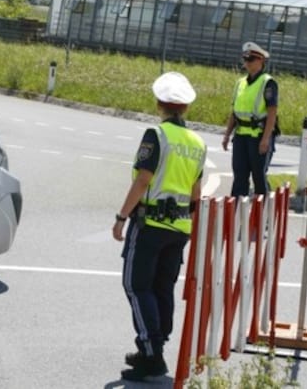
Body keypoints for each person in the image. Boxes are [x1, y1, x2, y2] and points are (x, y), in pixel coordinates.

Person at [112, 71, 207, 382]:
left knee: (136, 285)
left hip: (150, 222)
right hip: (180, 227)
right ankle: (154, 345)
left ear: (159, 104)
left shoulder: (157, 135)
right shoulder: (197, 143)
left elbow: (143, 180)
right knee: (162, 287)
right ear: (186, 108)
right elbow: (196, 192)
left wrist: (121, 217)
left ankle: (152, 352)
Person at [221, 41, 279, 197]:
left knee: (259, 177)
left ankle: (263, 216)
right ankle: (237, 214)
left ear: (260, 61)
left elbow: (272, 112)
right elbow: (234, 112)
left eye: (250, 60)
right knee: (239, 176)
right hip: (240, 135)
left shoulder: (268, 82)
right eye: (245, 59)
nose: (246, 63)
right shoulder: (240, 83)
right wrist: (227, 135)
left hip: (258, 135)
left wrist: (266, 139)